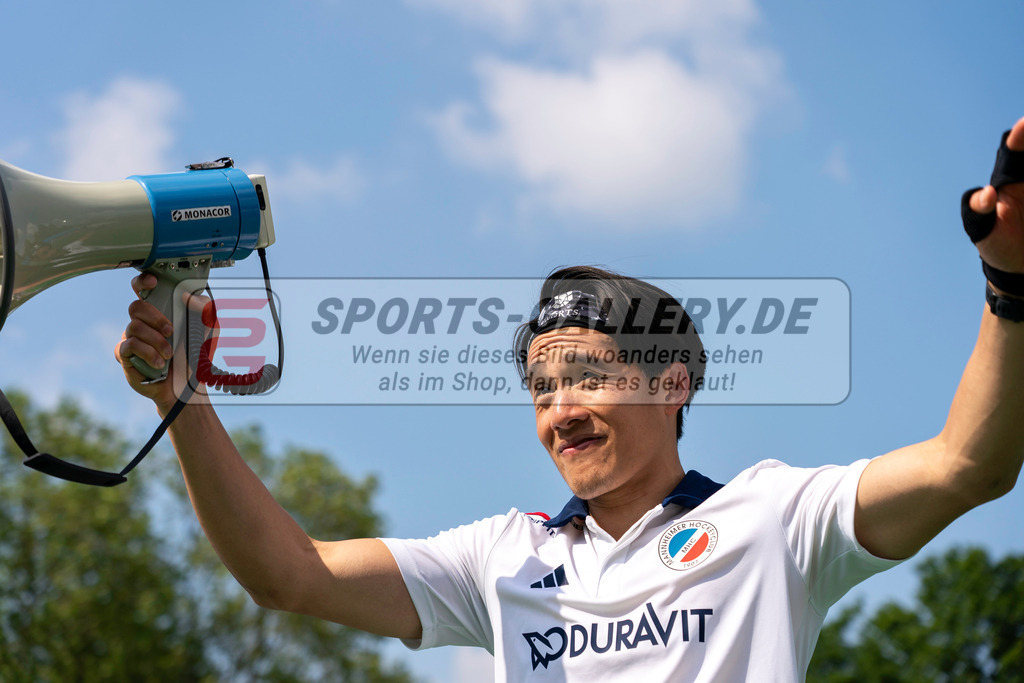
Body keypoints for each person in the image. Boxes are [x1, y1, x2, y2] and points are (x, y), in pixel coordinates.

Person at [116, 118, 1024, 681]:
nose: (560, 411)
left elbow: (968, 464)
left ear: (674, 382)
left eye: (586, 377)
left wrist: (1009, 283)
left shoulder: (777, 515)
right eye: (543, 389)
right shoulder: (500, 557)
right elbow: (290, 575)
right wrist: (182, 400)